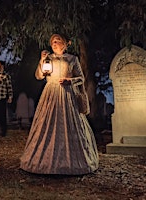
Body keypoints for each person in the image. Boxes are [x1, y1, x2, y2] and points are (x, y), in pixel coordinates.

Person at [19, 34, 99, 175]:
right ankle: (45, 160)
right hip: (50, 93)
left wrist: (70, 81)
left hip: (67, 94)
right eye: (52, 42)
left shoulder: (72, 59)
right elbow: (39, 76)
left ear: (65, 43)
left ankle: (72, 160)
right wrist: (42, 60)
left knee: (69, 125)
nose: (54, 44)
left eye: (57, 41)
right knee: (47, 124)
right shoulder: (48, 58)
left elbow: (81, 77)